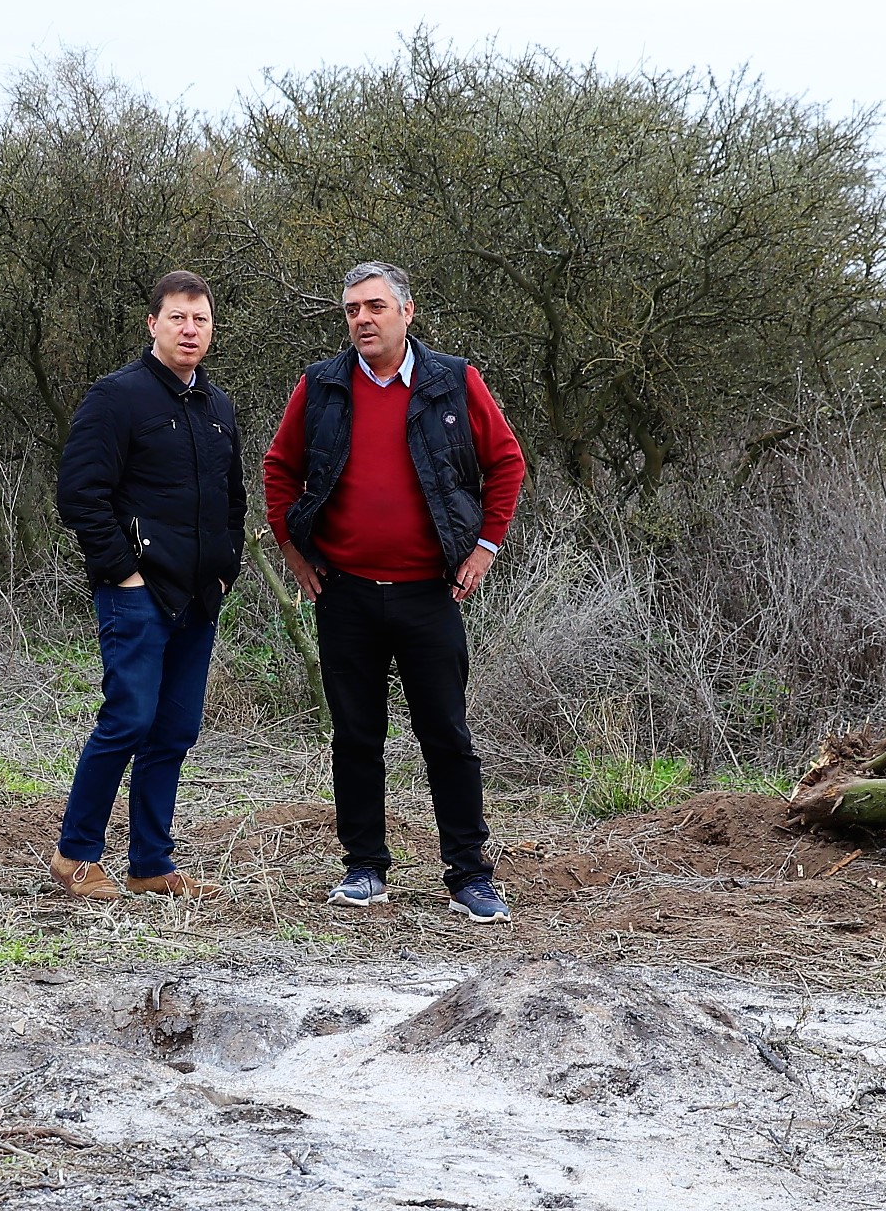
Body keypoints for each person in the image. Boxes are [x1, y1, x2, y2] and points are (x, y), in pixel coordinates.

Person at [262, 261, 528, 922]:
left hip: (429, 594)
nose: (363, 319)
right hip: (345, 593)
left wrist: (485, 549)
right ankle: (364, 869)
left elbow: (506, 462)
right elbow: (279, 468)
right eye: (352, 309)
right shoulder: (321, 386)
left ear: (407, 312)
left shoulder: (453, 381)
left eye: (375, 306)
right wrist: (293, 552)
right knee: (356, 737)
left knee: (447, 737)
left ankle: (469, 875)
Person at [49, 269, 245, 900]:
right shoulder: (118, 397)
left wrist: (226, 567)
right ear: (153, 324)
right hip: (136, 595)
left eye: (200, 319)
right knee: (128, 720)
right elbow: (80, 495)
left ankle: (150, 865)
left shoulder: (217, 407)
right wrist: (124, 573)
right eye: (177, 317)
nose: (190, 330)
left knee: (174, 731)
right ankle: (75, 855)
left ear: (211, 330)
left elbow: (233, 500)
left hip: (200, 596)